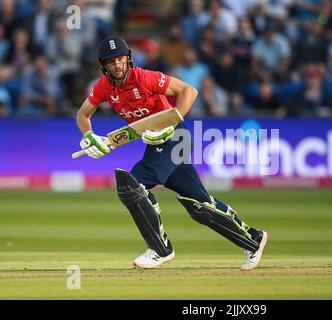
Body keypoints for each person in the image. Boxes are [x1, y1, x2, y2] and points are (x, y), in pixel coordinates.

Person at [75, 36, 268, 270]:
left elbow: (189, 91)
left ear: (129, 59)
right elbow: (83, 115)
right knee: (199, 206)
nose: (116, 64)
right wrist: (89, 137)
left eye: (120, 59)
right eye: (111, 61)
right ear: (103, 65)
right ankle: (254, 239)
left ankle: (159, 248)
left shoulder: (145, 77)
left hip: (176, 136)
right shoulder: (103, 87)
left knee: (132, 185)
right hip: (159, 142)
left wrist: (171, 121)